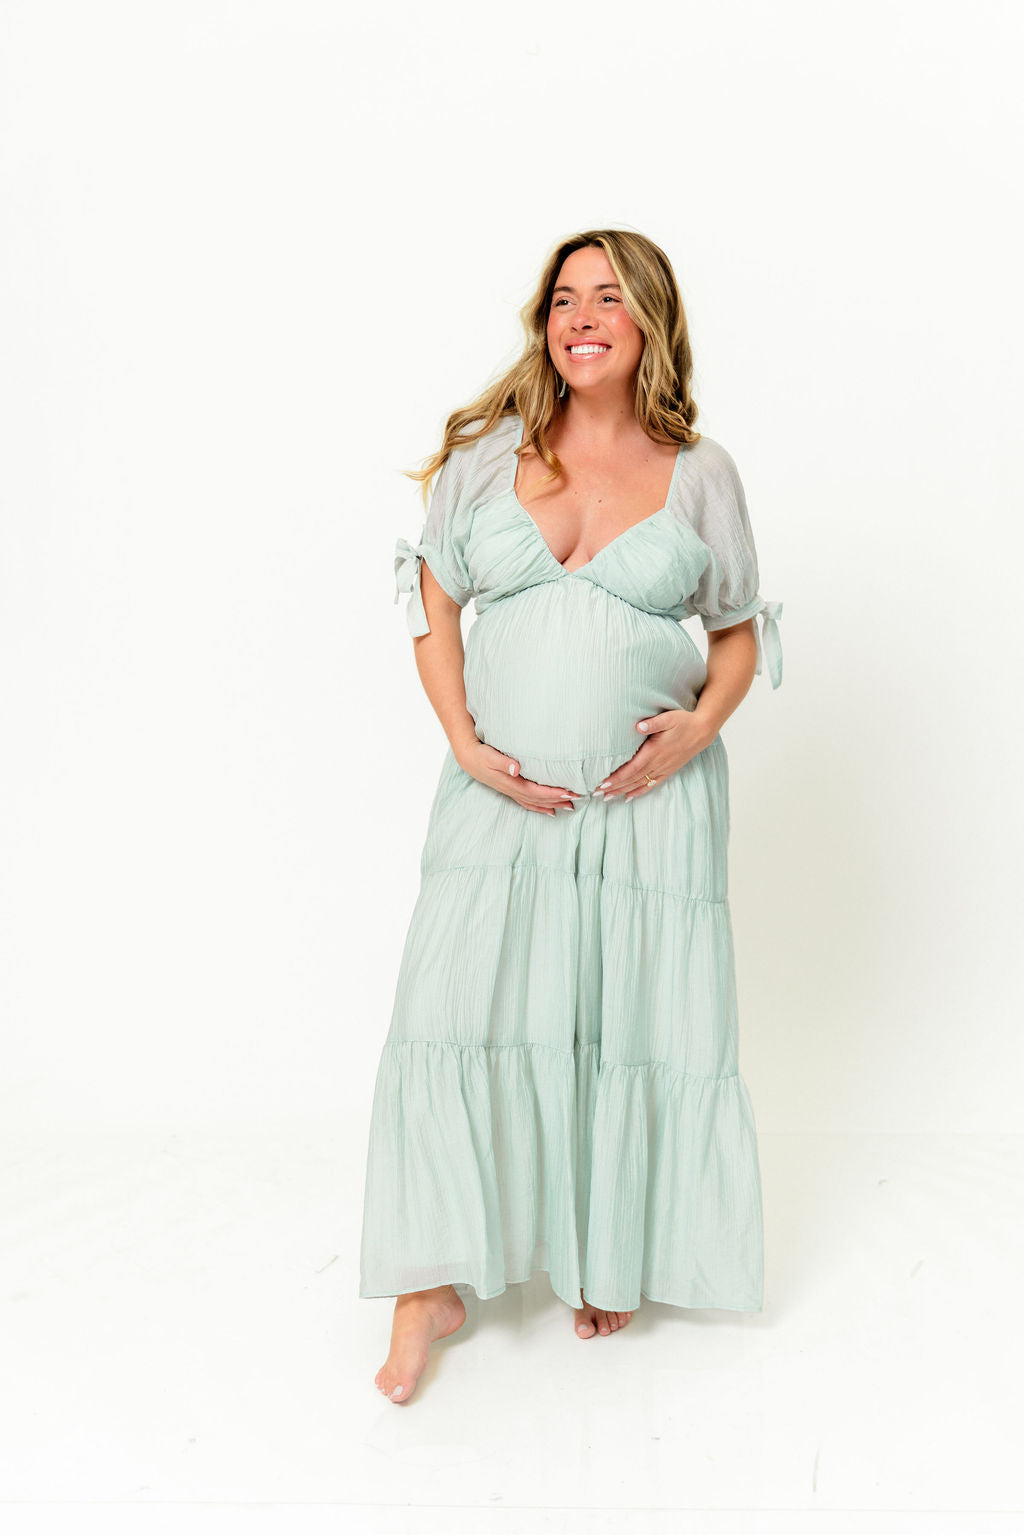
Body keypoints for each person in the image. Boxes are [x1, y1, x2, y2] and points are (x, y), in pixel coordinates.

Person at [360, 229, 783, 1405]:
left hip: (646, 808)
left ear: (649, 320)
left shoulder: (700, 472)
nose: (579, 318)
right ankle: (426, 1282)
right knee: (450, 1015)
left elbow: (737, 630)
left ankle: (609, 1247)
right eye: (562, 299)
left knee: (619, 1020)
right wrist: (463, 739)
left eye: (605, 298)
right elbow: (430, 594)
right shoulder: (488, 458)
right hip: (503, 796)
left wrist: (698, 728)